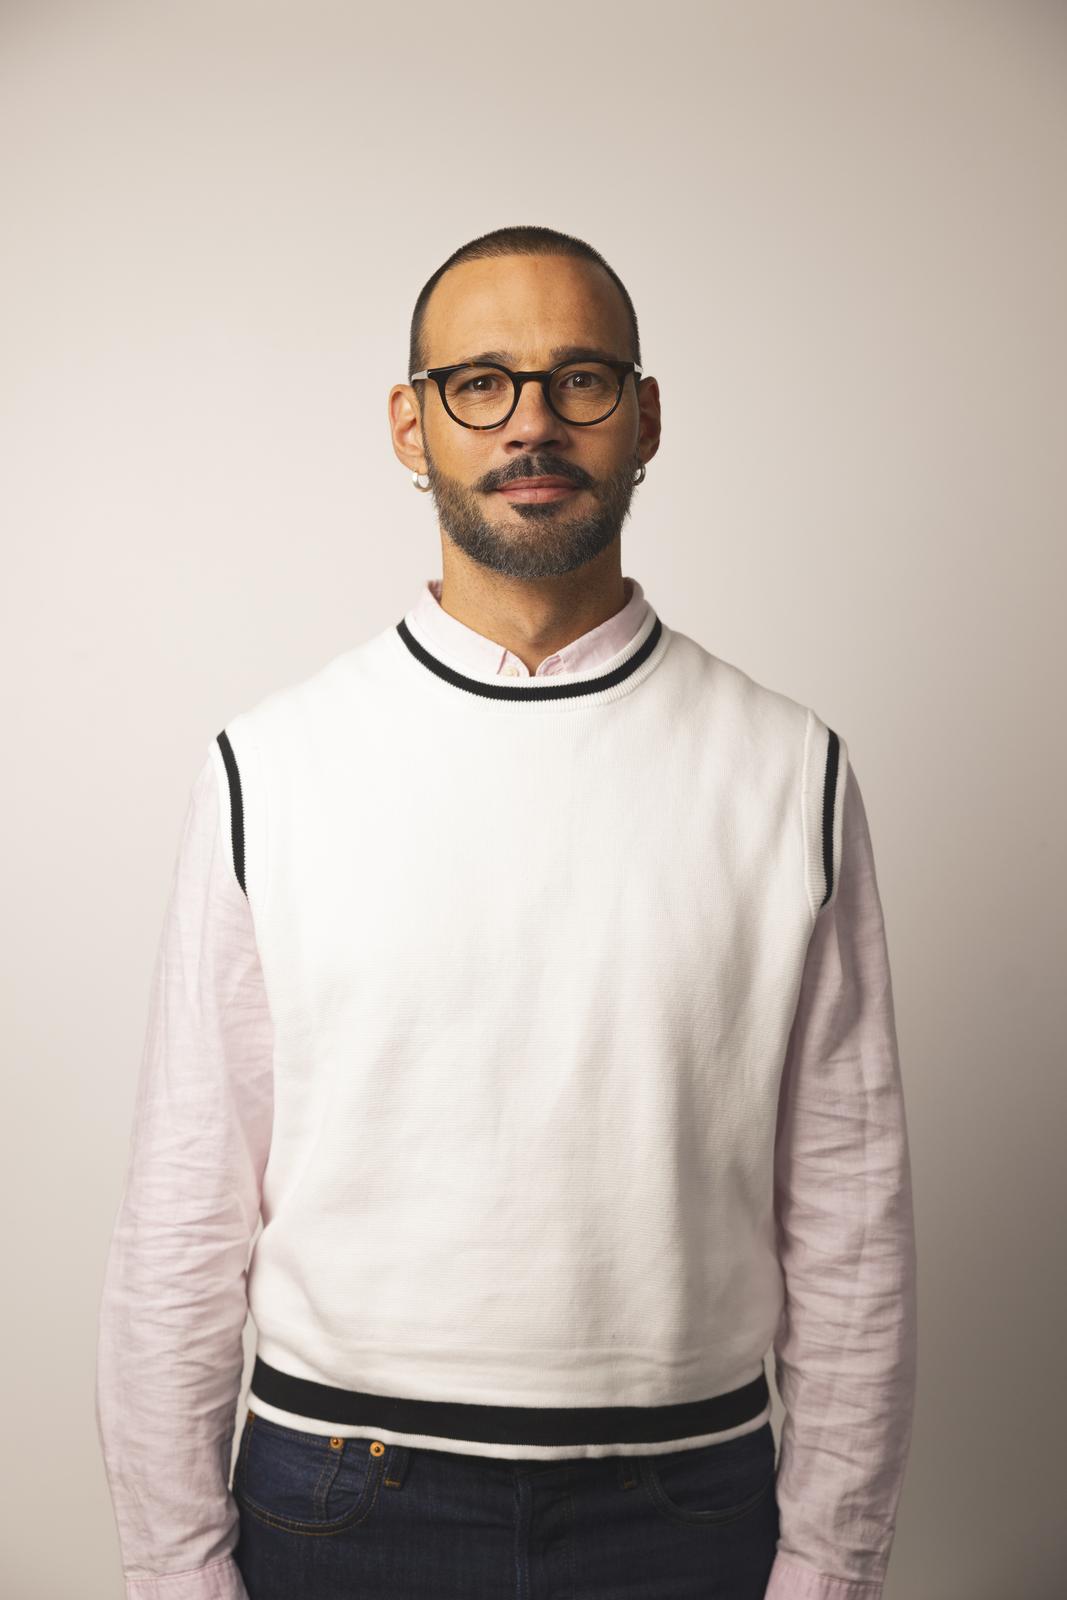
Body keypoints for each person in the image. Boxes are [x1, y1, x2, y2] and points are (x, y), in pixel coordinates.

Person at [95, 224, 917, 1600]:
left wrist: (831, 1564)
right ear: (409, 425)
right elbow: (185, 1207)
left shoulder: (790, 769)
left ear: (645, 417)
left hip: (688, 1503)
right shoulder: (269, 767)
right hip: (338, 1498)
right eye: (479, 382)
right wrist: (174, 1569)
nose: (531, 421)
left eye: (579, 379)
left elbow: (850, 1213)